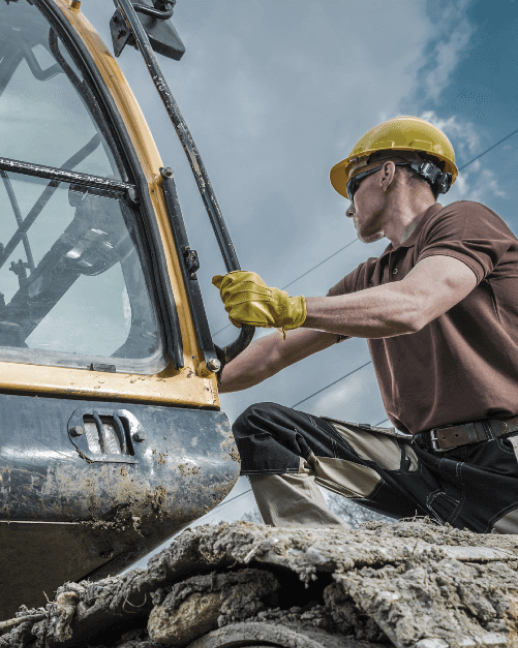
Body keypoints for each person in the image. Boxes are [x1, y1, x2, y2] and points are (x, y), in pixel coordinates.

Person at [212, 116, 518, 534]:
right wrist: (187, 383)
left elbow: (414, 304)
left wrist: (291, 305)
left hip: (505, 458)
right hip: (429, 470)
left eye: (353, 185)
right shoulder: (369, 278)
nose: (348, 206)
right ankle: (319, 562)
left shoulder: (464, 222)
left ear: (388, 172)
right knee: (265, 430)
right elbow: (277, 349)